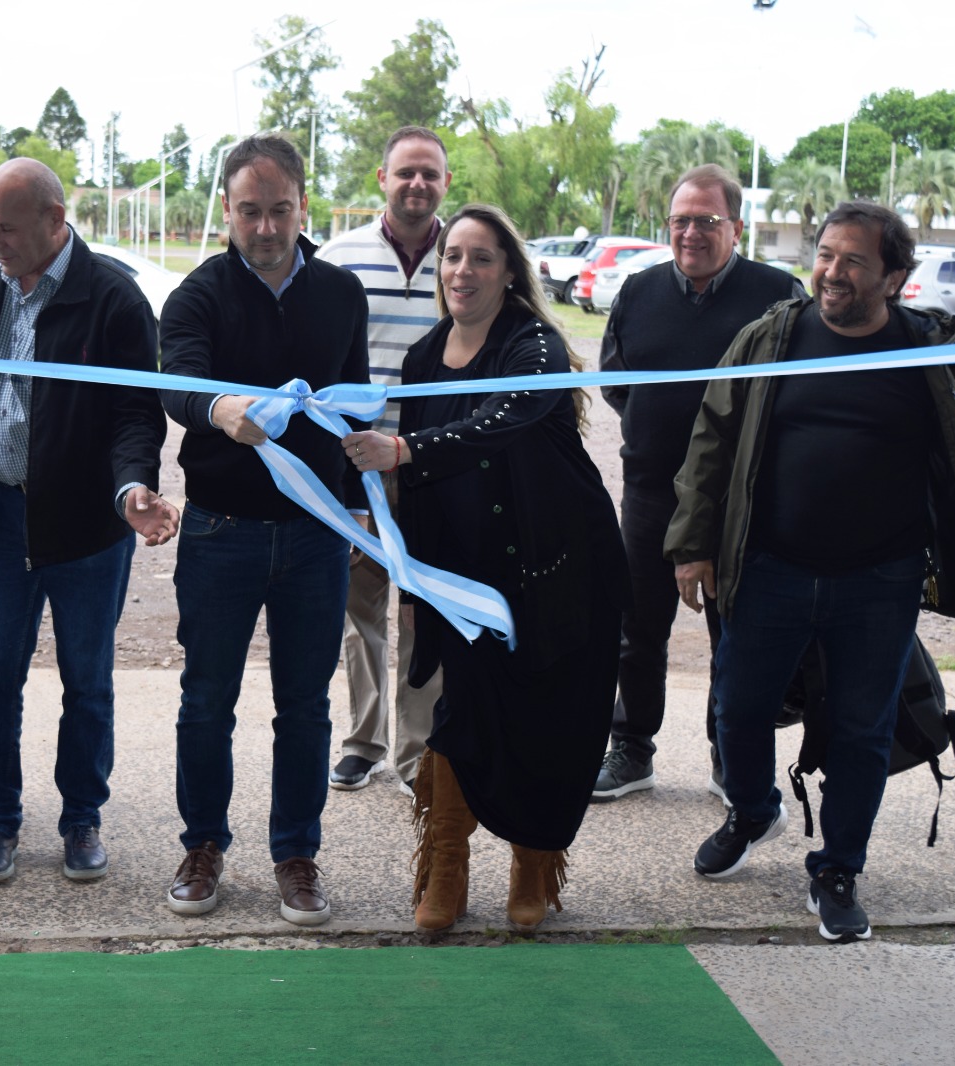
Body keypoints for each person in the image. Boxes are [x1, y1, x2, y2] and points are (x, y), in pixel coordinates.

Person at [665, 201, 955, 942]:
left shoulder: (927, 355)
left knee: (862, 729)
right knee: (738, 707)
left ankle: (837, 868)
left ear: (894, 276)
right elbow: (711, 441)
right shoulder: (772, 339)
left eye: (854, 261)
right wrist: (693, 544)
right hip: (768, 569)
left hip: (878, 580)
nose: (832, 272)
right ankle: (754, 810)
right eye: (826, 254)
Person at [343, 204, 627, 934]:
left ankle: (534, 863)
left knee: (548, 718)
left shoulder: (534, 346)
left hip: (558, 564)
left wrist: (407, 451)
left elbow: (506, 418)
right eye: (452, 258)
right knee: (460, 717)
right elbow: (425, 487)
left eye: (480, 258)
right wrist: (412, 579)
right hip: (465, 577)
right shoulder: (424, 356)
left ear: (508, 273)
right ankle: (446, 862)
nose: (461, 271)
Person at [0, 158, 176, 886]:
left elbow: (137, 415)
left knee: (87, 679)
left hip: (86, 530)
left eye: (3, 226)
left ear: (53, 218)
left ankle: (81, 820)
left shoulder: (116, 301)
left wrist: (132, 489)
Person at [159, 134, 370, 927]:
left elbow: (349, 404)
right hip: (221, 532)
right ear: (227, 209)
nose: (267, 227)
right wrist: (221, 410)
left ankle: (296, 856)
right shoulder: (197, 296)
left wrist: (352, 508)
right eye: (251, 211)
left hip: (316, 536)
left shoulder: (342, 294)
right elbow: (175, 381)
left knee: (306, 706)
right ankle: (203, 846)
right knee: (206, 699)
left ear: (303, 206)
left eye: (281, 209)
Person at [593, 164, 804, 803]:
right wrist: (665, 436)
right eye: (680, 220)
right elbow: (616, 380)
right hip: (652, 491)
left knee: (734, 635)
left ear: (735, 226)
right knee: (637, 629)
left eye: (707, 221)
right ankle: (632, 750)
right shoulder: (638, 290)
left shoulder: (779, 296)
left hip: (740, 504)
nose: (691, 233)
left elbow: (792, 394)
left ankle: (728, 757)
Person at [315, 126, 450, 796]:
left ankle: (417, 749)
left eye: (429, 174)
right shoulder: (341, 260)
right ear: (382, 178)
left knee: (421, 611)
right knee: (359, 609)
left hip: (434, 467)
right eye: (406, 173)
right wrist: (341, 477)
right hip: (359, 466)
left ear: (445, 183)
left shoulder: (465, 259)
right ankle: (363, 741)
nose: (417, 185)